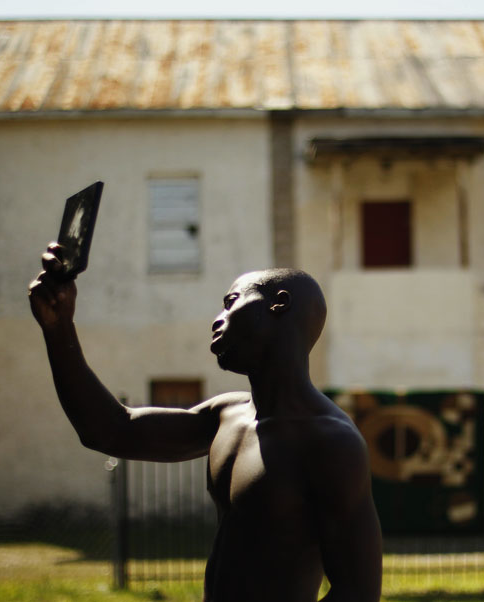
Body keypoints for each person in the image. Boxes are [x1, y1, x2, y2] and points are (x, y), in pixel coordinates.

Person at [28, 242, 383, 602]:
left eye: (231, 302)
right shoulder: (227, 416)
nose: (218, 318)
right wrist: (58, 328)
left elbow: (358, 591)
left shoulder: (330, 442)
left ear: (280, 303)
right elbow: (109, 430)